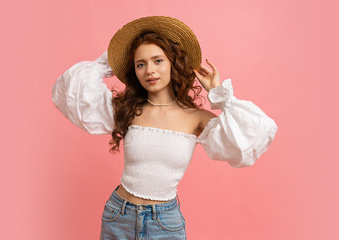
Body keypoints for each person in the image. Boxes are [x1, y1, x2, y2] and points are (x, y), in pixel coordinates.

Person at [52, 16, 278, 240]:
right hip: (118, 215)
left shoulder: (195, 118)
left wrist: (219, 94)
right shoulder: (128, 109)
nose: (149, 70)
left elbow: (252, 137)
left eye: (158, 60)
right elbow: (73, 92)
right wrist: (109, 61)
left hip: (165, 223)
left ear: (173, 62)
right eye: (141, 64)